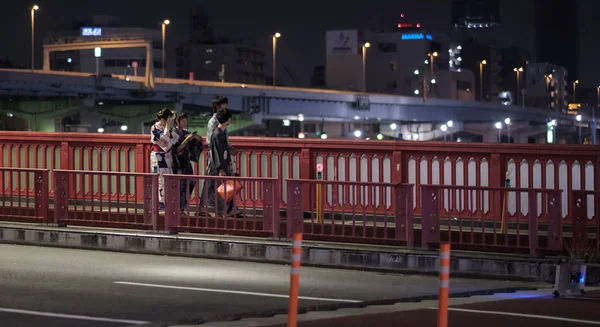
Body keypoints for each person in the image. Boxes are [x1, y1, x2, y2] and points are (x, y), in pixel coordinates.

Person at [206, 108, 237, 216]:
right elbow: (217, 153)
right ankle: (222, 212)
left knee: (225, 189)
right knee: (222, 190)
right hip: (220, 167)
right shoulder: (218, 134)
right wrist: (221, 169)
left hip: (223, 165)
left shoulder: (220, 133)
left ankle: (225, 211)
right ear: (227, 120)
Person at [173, 113, 203, 212]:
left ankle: (183, 207)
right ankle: (179, 209)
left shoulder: (186, 132)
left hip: (186, 162)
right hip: (178, 163)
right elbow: (177, 149)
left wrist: (194, 136)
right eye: (183, 121)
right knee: (180, 186)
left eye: (186, 120)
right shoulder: (174, 133)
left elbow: (200, 140)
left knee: (189, 184)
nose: (185, 122)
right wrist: (187, 139)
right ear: (177, 122)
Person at [150, 108, 180, 208]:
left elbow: (175, 138)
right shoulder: (155, 127)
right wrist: (167, 126)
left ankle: (168, 201)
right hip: (158, 155)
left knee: (168, 177)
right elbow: (163, 138)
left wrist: (168, 131)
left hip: (167, 155)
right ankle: (160, 202)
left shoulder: (167, 128)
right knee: (160, 179)